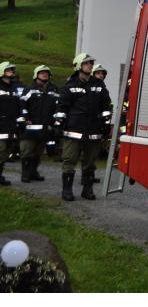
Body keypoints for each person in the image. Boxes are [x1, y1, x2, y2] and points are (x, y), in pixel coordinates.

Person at [56, 53, 112, 201]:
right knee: (69, 160)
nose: (90, 65)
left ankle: (87, 190)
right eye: (86, 63)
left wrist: (106, 124)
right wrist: (59, 125)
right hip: (74, 130)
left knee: (90, 162)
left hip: (93, 130)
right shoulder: (70, 85)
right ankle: (67, 190)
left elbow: (106, 105)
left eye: (91, 63)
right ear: (78, 65)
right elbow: (62, 107)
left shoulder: (98, 84)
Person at [18, 65, 60, 183]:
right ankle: (25, 174)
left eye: (46, 73)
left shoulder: (54, 89)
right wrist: (25, 117)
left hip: (46, 127)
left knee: (38, 152)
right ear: (36, 75)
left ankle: (33, 172)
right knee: (27, 151)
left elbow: (58, 106)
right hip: (31, 127)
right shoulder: (30, 89)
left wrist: (55, 121)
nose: (45, 74)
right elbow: (22, 104)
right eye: (42, 73)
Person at [0, 62, 25, 186]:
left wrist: (21, 120)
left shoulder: (14, 89)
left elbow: (18, 106)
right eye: (8, 70)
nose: (11, 72)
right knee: (1, 150)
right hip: (1, 125)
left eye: (12, 70)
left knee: (6, 153)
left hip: (11, 126)